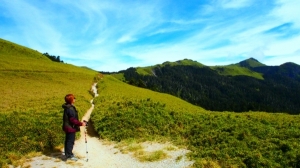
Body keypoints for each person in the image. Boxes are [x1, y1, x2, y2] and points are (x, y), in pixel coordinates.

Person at [62, 94, 86, 161]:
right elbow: (73, 120)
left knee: (67, 141)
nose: (75, 99)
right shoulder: (70, 108)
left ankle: (68, 154)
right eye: (74, 98)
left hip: (67, 127)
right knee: (70, 141)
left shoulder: (67, 107)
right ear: (71, 100)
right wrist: (81, 123)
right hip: (70, 127)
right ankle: (69, 156)